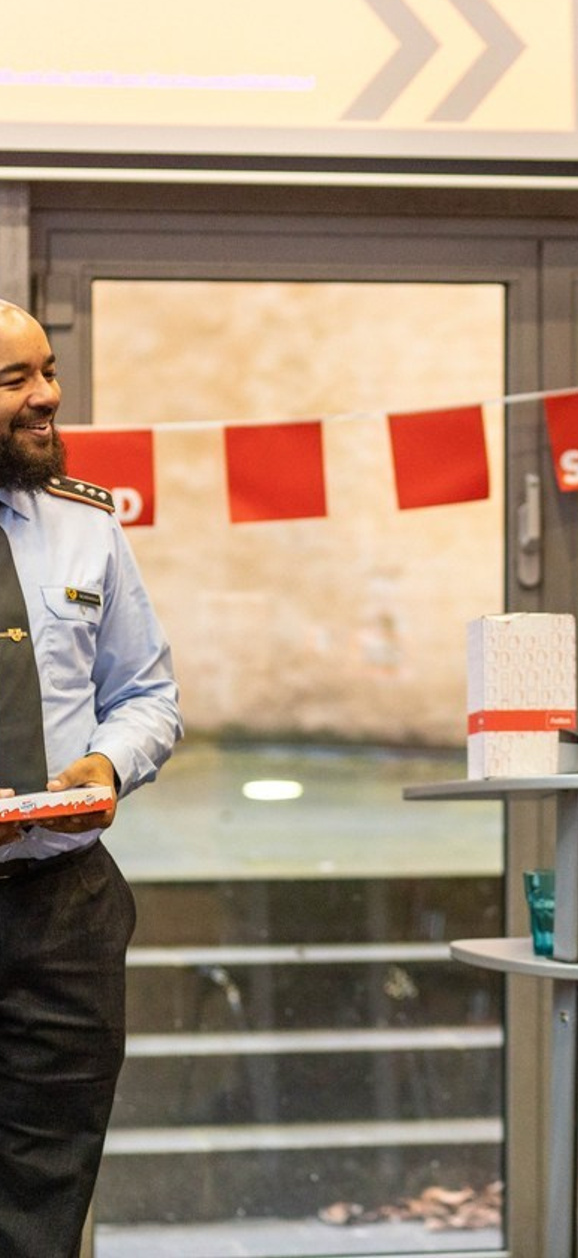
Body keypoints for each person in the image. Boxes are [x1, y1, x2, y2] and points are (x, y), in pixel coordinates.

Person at [0, 299, 182, 1257]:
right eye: (15, 381)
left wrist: (110, 762)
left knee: (44, 1201)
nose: (48, 399)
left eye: (49, 372)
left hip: (61, 909)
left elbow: (149, 693)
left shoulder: (86, 526)